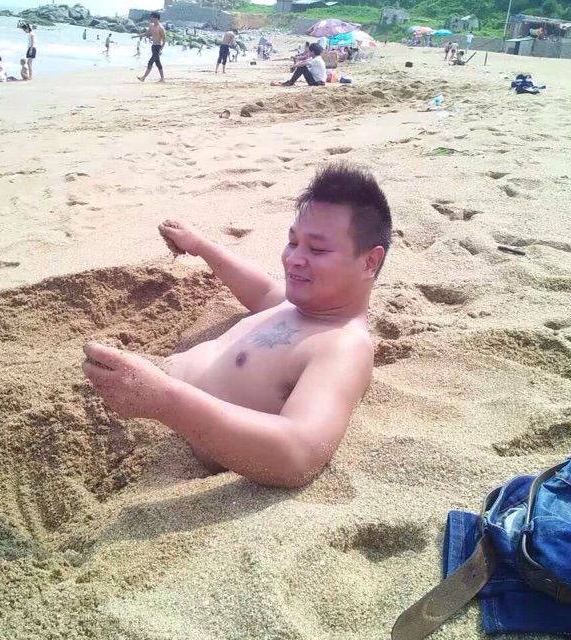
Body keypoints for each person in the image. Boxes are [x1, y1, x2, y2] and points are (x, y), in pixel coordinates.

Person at [82, 163, 390, 487]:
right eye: (292, 242)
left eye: (317, 249)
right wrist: (200, 245)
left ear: (369, 261)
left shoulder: (344, 346)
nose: (294, 258)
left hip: (159, 428)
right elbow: (260, 289)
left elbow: (299, 454)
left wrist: (164, 399)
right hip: (141, 391)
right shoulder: (299, 304)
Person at [133, 12, 165, 83]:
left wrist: (161, 50)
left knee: (151, 62)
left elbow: (164, 40)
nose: (151, 19)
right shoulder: (151, 26)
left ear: (156, 18)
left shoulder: (161, 28)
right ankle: (162, 78)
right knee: (157, 63)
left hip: (158, 47)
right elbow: (146, 33)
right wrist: (137, 36)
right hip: (153, 47)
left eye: (152, 17)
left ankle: (143, 78)